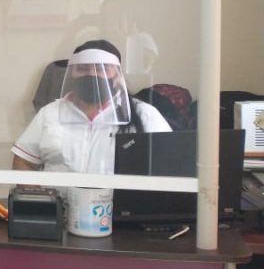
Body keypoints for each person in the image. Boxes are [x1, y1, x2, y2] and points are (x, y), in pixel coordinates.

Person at [12, 39, 170, 173]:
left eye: (102, 69)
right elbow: (23, 162)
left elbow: (169, 165)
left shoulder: (145, 115)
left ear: (117, 74)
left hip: (120, 201)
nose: (92, 73)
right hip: (60, 201)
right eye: (83, 68)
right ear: (72, 72)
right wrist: (40, 197)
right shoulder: (50, 114)